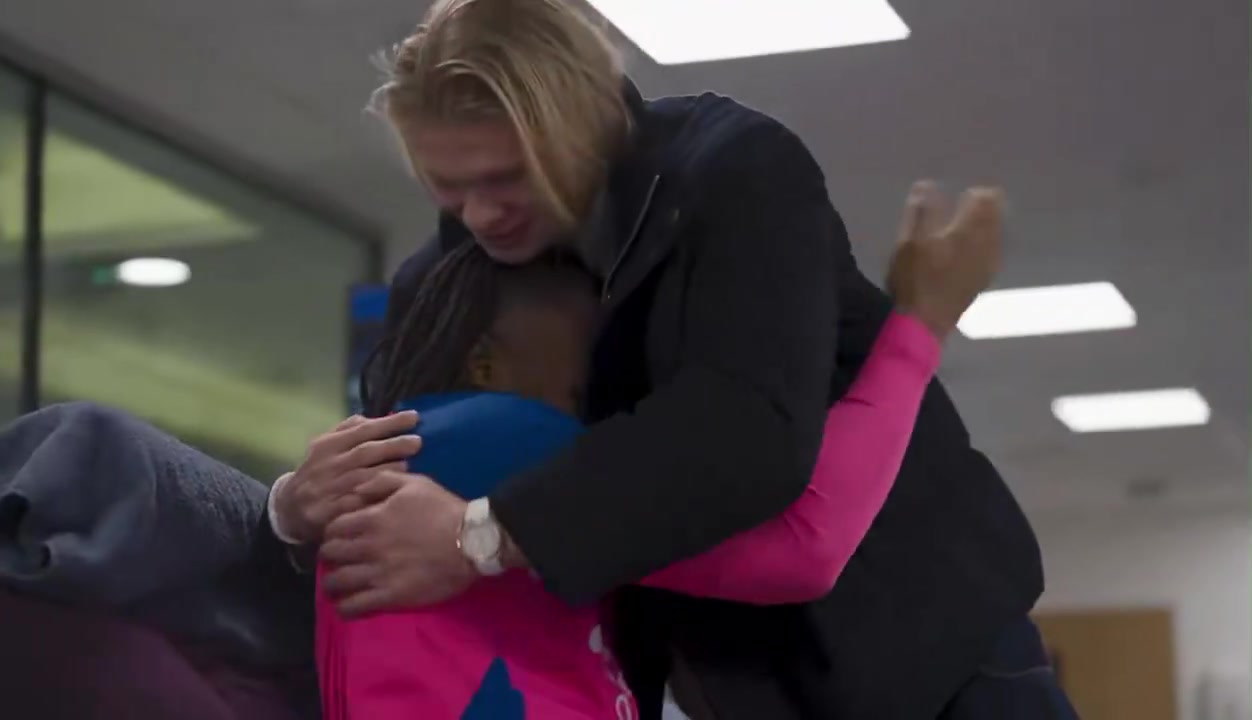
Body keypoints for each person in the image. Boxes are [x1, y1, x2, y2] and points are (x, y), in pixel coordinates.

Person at [262, 0, 1066, 717]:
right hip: (717, 669)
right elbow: (402, 499)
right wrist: (298, 504)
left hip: (928, 640)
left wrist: (481, 535)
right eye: (447, 185)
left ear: (583, 123)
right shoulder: (444, 288)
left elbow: (745, 440)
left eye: (507, 178)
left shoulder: (733, 174)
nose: (480, 214)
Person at [314, 214, 978, 718]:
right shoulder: (510, 435)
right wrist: (917, 330)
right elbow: (803, 545)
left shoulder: (419, 455)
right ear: (487, 359)